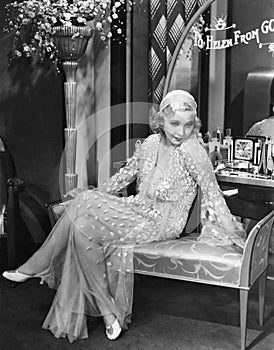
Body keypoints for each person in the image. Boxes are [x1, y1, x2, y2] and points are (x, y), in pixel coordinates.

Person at [2, 90, 246, 343]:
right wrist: (93, 198)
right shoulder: (150, 144)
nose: (181, 132)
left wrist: (234, 232)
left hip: (163, 221)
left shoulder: (192, 150)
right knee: (83, 223)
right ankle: (109, 314)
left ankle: (35, 266)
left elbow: (212, 193)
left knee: (82, 209)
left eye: (188, 125)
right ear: (161, 120)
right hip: (136, 208)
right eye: (174, 124)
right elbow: (124, 177)